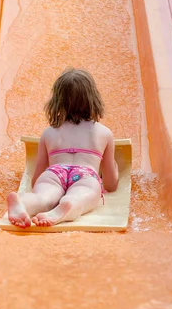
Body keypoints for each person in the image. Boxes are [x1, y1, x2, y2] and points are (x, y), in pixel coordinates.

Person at [7, 68, 119, 228]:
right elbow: (110, 184)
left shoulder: (49, 133)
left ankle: (24, 202)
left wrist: (42, 185)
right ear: (93, 99)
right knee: (83, 195)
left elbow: (37, 175)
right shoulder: (103, 133)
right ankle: (69, 205)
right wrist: (114, 171)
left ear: (57, 102)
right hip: (85, 175)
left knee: (43, 197)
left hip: (54, 172)